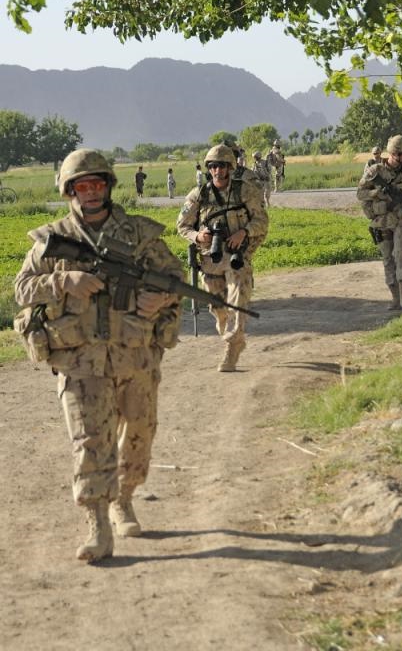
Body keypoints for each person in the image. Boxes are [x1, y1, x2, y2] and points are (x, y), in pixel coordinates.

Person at [14, 149, 184, 563]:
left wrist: (160, 298)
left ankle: (123, 498)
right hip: (80, 361)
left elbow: (175, 277)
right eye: (82, 185)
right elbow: (22, 289)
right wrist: (63, 280)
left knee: (139, 434)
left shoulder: (138, 234)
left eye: (97, 184)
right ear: (69, 191)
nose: (90, 192)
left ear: (108, 187)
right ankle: (97, 525)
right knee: (90, 440)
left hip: (135, 355)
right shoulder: (53, 240)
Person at [177, 144, 268, 372]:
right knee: (218, 308)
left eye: (222, 166)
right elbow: (182, 226)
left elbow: (261, 221)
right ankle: (227, 328)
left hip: (237, 255)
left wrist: (243, 232)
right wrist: (198, 236)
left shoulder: (244, 192)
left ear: (230, 167)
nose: (217, 171)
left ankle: (232, 348)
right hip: (211, 257)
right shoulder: (199, 195)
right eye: (213, 166)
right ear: (209, 169)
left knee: (238, 299)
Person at [357, 134, 402, 310]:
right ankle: (395, 299)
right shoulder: (375, 171)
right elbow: (360, 193)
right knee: (388, 259)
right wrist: (375, 193)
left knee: (401, 256)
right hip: (381, 221)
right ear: (393, 153)